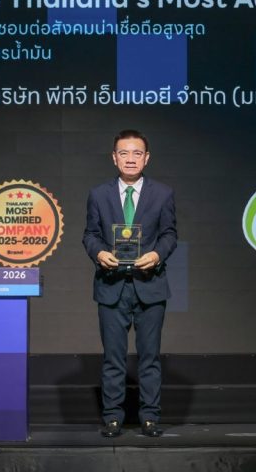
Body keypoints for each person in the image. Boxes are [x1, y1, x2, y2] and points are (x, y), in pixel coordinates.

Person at [82, 129, 177, 438]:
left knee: (150, 357)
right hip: (111, 285)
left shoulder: (163, 194)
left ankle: (150, 417)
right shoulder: (98, 194)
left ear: (147, 158)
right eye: (124, 153)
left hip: (150, 284)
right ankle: (112, 417)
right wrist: (99, 253)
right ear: (114, 158)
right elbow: (90, 234)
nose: (131, 159)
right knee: (113, 358)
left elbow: (169, 234)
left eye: (137, 153)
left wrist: (157, 255)